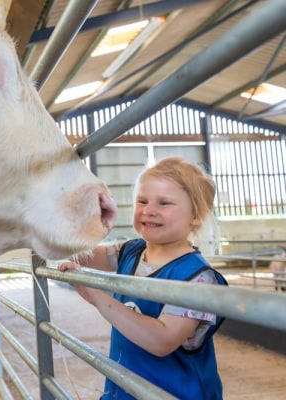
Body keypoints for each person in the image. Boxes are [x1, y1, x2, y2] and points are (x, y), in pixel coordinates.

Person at [58, 156, 228, 400]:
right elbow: (79, 255)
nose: (149, 210)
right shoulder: (131, 251)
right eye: (142, 201)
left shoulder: (198, 278)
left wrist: (99, 297)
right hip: (123, 390)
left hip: (175, 393)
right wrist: (86, 221)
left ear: (197, 215)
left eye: (164, 203)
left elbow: (162, 341)